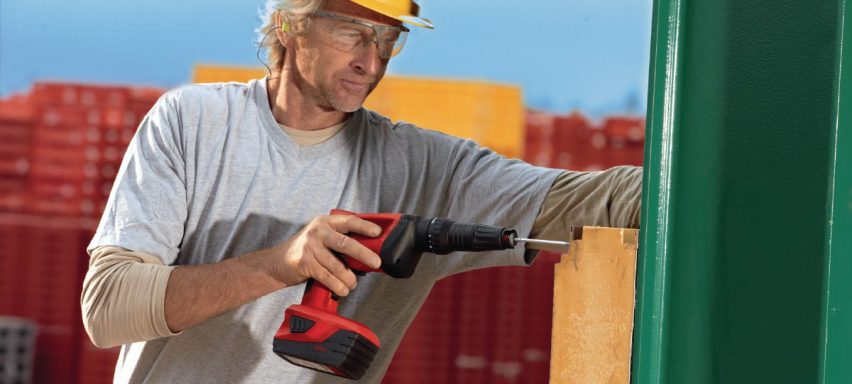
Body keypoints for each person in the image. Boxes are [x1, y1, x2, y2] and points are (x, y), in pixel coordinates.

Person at [80, 0, 642, 382]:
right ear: (289, 25)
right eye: (352, 33)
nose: (371, 63)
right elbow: (108, 309)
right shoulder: (193, 123)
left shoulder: (429, 169)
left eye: (387, 40)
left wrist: (720, 167)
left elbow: (605, 202)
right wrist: (283, 265)